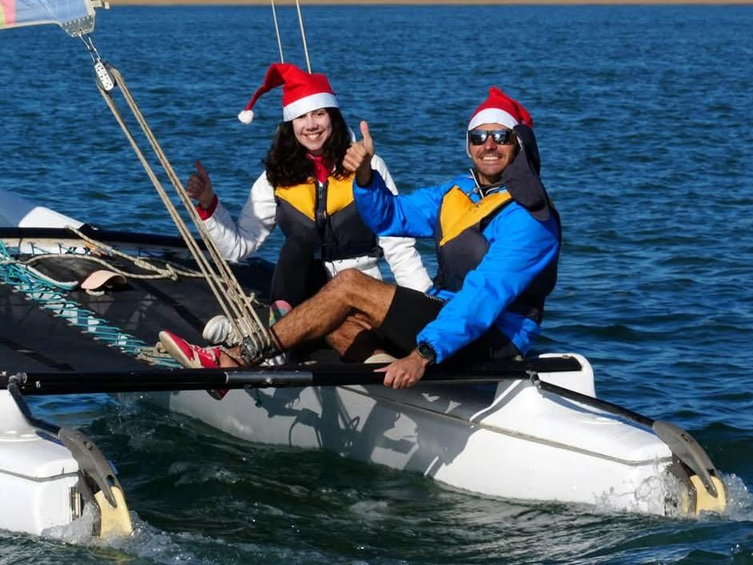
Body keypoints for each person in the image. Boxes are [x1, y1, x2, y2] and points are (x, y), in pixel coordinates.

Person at [163, 85, 560, 389]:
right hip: (445, 316)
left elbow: (483, 295)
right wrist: (366, 177)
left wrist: (423, 355)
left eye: (500, 137)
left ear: (519, 144)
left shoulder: (530, 218)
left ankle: (238, 357)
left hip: (493, 339)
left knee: (348, 285)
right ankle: (383, 370)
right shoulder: (456, 192)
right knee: (334, 315)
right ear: (468, 145)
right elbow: (391, 216)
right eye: (478, 136)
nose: (488, 145)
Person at [188, 63, 431, 334]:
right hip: (304, 294)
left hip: (358, 287)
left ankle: (257, 338)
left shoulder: (367, 166)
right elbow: (238, 248)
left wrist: (424, 306)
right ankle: (271, 335)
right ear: (290, 124)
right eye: (301, 117)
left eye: (319, 114)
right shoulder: (275, 176)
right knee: (297, 246)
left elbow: (398, 245)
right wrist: (209, 205)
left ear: (333, 118)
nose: (311, 125)